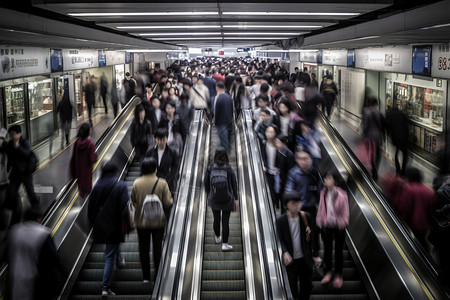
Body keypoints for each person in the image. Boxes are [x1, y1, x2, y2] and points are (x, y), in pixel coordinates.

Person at [87, 162, 128, 296]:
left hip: (101, 226)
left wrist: (94, 224)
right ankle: (105, 287)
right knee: (109, 256)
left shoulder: (96, 187)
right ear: (115, 172)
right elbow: (124, 208)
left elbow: (91, 210)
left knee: (112, 247)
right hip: (115, 225)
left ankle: (120, 260)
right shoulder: (120, 185)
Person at [131, 157, 173, 282]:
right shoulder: (162, 182)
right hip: (158, 222)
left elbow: (133, 202)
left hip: (141, 222)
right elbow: (167, 202)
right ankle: (158, 276)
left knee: (143, 249)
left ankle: (146, 277)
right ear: (155, 169)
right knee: (157, 248)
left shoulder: (136, 183)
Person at [7, 207, 63, 300]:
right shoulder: (43, 233)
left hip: (16, 279)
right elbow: (53, 258)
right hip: (38, 281)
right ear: (39, 219)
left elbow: (7, 255)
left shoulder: (14, 231)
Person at [276, 192, 322, 300]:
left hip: (305, 259)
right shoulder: (280, 221)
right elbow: (280, 240)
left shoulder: (306, 217)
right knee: (292, 289)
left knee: (307, 287)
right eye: (293, 204)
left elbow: (313, 238)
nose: (297, 206)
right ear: (285, 205)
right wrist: (285, 252)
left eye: (298, 203)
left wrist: (315, 255)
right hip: (291, 261)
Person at [316, 171, 349, 289]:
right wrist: (320, 223)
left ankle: (339, 275)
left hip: (339, 227)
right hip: (327, 226)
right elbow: (321, 208)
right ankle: (328, 273)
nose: (326, 181)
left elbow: (345, 213)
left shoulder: (342, 195)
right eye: (325, 179)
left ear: (334, 180)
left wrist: (342, 224)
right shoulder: (323, 193)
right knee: (327, 251)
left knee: (339, 252)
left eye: (328, 179)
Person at [285, 150, 323, 254]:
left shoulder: (315, 174)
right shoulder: (293, 174)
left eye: (306, 159)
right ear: (296, 160)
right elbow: (288, 191)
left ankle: (316, 255)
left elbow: (320, 192)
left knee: (314, 233)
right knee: (299, 234)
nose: (303, 162)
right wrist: (296, 203)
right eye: (300, 159)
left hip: (312, 209)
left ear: (311, 159)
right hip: (298, 209)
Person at [3, 125, 39, 226]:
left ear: (19, 134)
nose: (12, 137)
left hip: (26, 174)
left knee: (31, 194)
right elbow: (3, 148)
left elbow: (27, 153)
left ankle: (37, 214)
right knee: (11, 194)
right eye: (10, 135)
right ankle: (15, 218)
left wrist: (17, 147)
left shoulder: (24, 142)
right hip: (15, 174)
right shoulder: (10, 143)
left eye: (13, 134)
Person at [204, 148, 238, 251]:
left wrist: (209, 194)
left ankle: (217, 237)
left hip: (214, 199)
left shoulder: (210, 168)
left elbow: (205, 183)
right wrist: (235, 196)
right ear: (226, 156)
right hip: (227, 199)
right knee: (225, 221)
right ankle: (225, 244)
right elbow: (234, 184)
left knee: (216, 218)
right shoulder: (228, 168)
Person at [395, 167, 435, 248]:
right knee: (421, 241)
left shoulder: (409, 189)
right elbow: (432, 209)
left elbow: (404, 207)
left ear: (409, 177)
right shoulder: (429, 191)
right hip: (424, 226)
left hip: (411, 224)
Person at [145, 128, 179, 194]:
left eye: (163, 139)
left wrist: (167, 180)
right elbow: (145, 168)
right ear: (155, 139)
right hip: (153, 184)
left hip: (168, 185)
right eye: (159, 140)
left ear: (167, 139)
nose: (161, 142)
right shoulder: (150, 152)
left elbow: (175, 169)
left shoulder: (172, 152)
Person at [70, 123, 98, 198]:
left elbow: (73, 158)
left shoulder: (77, 142)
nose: (91, 131)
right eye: (90, 130)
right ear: (87, 131)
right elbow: (93, 159)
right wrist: (95, 156)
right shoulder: (90, 143)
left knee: (81, 190)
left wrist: (72, 173)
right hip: (87, 171)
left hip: (79, 171)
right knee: (88, 191)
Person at [362, 97, 385, 180]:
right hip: (378, 137)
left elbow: (365, 125)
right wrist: (383, 138)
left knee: (370, 153)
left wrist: (364, 135)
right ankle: (376, 170)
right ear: (376, 104)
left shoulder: (365, 111)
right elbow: (382, 127)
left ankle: (373, 169)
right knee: (378, 154)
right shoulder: (379, 113)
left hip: (369, 136)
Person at [386, 104, 409, 175]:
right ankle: (403, 169)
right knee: (405, 153)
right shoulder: (402, 114)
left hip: (395, 136)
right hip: (404, 136)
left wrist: (389, 134)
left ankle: (398, 168)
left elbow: (387, 125)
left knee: (397, 152)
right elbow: (407, 125)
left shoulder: (389, 114)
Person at [214, 81, 234, 151]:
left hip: (221, 123)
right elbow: (232, 110)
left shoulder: (219, 98)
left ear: (217, 88)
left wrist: (215, 122)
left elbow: (217, 112)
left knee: (224, 141)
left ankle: (225, 156)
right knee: (225, 140)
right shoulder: (229, 97)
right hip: (228, 121)